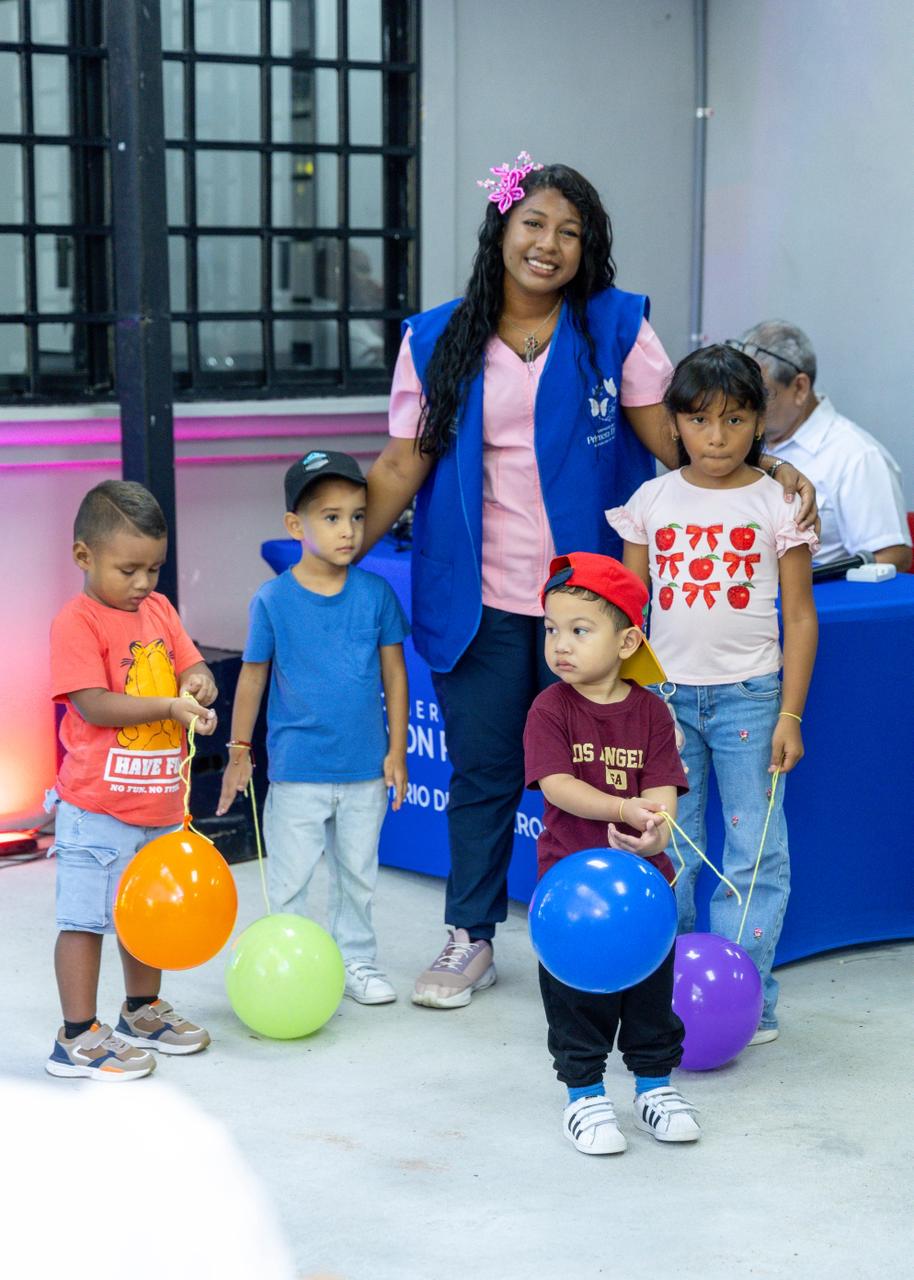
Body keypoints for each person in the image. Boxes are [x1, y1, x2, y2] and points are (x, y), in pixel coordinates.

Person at [362, 153, 817, 1009]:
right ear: (501, 230)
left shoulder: (613, 326)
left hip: (592, 608)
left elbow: (682, 441)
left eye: (570, 232)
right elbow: (399, 463)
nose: (549, 244)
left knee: (607, 778)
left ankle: (610, 935)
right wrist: (340, 549)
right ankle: (470, 936)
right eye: (533, 224)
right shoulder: (438, 337)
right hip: (480, 601)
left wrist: (772, 471)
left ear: (588, 248)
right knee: (485, 774)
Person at [608, 344, 819, 1043]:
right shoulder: (651, 502)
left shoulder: (777, 502)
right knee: (671, 845)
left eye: (734, 420)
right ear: (674, 424)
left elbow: (800, 617)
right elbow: (630, 617)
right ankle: (665, 992)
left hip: (751, 700)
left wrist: (790, 713)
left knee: (755, 853)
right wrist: (635, 706)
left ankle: (746, 997)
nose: (717, 437)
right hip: (666, 704)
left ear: (758, 422)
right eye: (699, 420)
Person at [217, 450, 409, 1005]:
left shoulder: (375, 595)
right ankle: (291, 963)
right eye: (331, 517)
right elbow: (253, 678)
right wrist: (238, 751)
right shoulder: (273, 600)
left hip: (363, 770)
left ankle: (356, 961)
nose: (348, 530)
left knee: (358, 876)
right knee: (290, 879)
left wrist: (397, 751)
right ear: (295, 526)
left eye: (357, 516)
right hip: (298, 770)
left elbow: (395, 676)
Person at [523, 552, 698, 1154]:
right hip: (572, 892)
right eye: (552, 629)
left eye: (579, 630)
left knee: (650, 998)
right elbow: (557, 786)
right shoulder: (551, 708)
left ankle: (654, 1087)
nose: (560, 644)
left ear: (627, 642)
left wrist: (655, 834)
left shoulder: (650, 711)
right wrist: (624, 809)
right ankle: (585, 1095)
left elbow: (663, 795)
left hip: (644, 890)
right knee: (576, 999)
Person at [46, 480, 218, 1081]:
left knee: (147, 914)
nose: (144, 582)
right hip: (97, 809)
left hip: (159, 807)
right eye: (129, 569)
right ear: (84, 556)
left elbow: (190, 662)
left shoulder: (160, 611)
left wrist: (197, 683)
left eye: (155, 568)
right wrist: (169, 706)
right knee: (85, 921)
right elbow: (92, 704)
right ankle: (76, 1037)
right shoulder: (77, 622)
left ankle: (141, 1011)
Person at [734, 321, 911, 571]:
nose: (745, 406)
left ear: (800, 388)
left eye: (760, 395)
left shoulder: (857, 456)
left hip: (816, 590)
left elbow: (894, 557)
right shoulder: (736, 441)